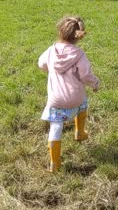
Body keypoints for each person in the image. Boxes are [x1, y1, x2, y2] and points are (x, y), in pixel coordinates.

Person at [38, 16, 100, 173]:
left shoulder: (51, 50)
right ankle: (79, 132)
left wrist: (50, 69)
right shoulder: (79, 54)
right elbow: (86, 75)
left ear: (60, 31)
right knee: (83, 103)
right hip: (76, 97)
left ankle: (54, 163)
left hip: (56, 100)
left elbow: (41, 64)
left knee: (56, 127)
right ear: (79, 36)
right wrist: (95, 83)